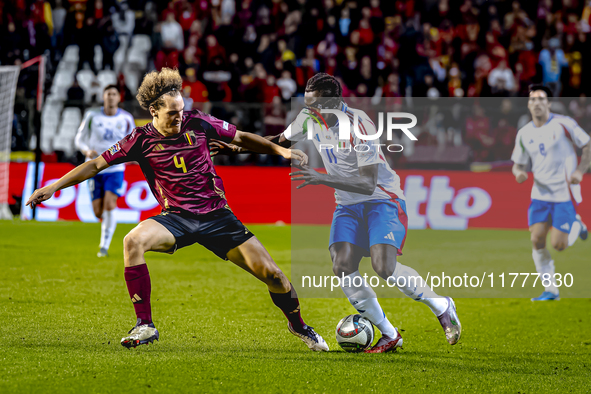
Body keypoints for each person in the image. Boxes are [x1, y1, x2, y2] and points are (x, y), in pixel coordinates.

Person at [27, 68, 328, 352]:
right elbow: (95, 165)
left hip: (217, 217)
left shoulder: (198, 122)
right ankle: (145, 325)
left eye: (182, 110)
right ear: (153, 111)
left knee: (274, 276)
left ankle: (300, 326)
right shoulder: (140, 139)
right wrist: (53, 187)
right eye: (173, 113)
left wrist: (281, 150)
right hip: (176, 219)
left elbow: (240, 138)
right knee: (132, 241)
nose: (179, 117)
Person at [211, 73, 462, 353]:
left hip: (382, 200)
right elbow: (280, 141)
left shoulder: (359, 125)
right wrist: (235, 149)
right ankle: (390, 334)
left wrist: (320, 178)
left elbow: (367, 184)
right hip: (346, 205)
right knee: (342, 267)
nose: (311, 110)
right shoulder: (309, 117)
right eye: (308, 104)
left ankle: (441, 306)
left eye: (316, 105)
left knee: (384, 267)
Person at [511, 85, 590, 301]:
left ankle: (577, 224)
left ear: (548, 103)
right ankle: (551, 290)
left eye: (541, 99)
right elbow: (517, 164)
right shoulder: (524, 133)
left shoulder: (564, 124)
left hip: (564, 193)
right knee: (537, 240)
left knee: (558, 245)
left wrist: (580, 171)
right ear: (528, 105)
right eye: (533, 99)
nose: (537, 102)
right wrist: (519, 173)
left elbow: (587, 145)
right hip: (539, 195)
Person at [74, 85, 135, 257]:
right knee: (98, 211)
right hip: (94, 167)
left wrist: (131, 156)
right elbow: (79, 137)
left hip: (116, 168)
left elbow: (133, 141)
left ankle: (104, 246)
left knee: (110, 204)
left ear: (119, 98)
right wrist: (86, 150)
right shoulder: (92, 115)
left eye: (114, 94)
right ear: (103, 97)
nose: (110, 97)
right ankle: (104, 234)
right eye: (108, 94)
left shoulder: (126, 118)